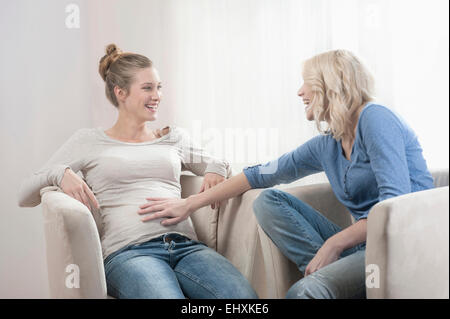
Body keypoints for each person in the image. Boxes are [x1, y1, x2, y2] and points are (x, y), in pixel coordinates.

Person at [137, 49, 435, 299]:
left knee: (303, 293)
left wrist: (333, 244)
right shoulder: (328, 142)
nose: (299, 91)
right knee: (268, 201)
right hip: (361, 247)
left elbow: (393, 208)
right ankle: (334, 278)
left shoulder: (376, 119)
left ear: (329, 85)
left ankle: (325, 281)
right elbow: (259, 175)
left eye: (306, 83)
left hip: (400, 246)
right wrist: (189, 204)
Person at [17, 44, 258, 299]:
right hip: (130, 253)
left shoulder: (173, 138)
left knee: (244, 300)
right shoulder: (88, 140)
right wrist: (60, 172)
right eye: (147, 88)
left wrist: (216, 169)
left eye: (159, 87)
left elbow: (216, 162)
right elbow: (25, 194)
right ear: (121, 92)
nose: (157, 96)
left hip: (187, 248)